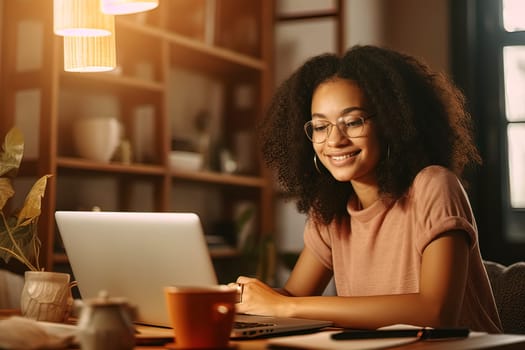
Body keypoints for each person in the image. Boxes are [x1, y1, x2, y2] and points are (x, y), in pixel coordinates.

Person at [232, 45, 502, 333]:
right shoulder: (330, 215)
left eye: (352, 121)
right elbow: (293, 299)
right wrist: (245, 300)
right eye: (321, 127)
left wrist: (284, 307)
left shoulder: (433, 186)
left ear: (391, 122)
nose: (334, 140)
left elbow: (436, 312)